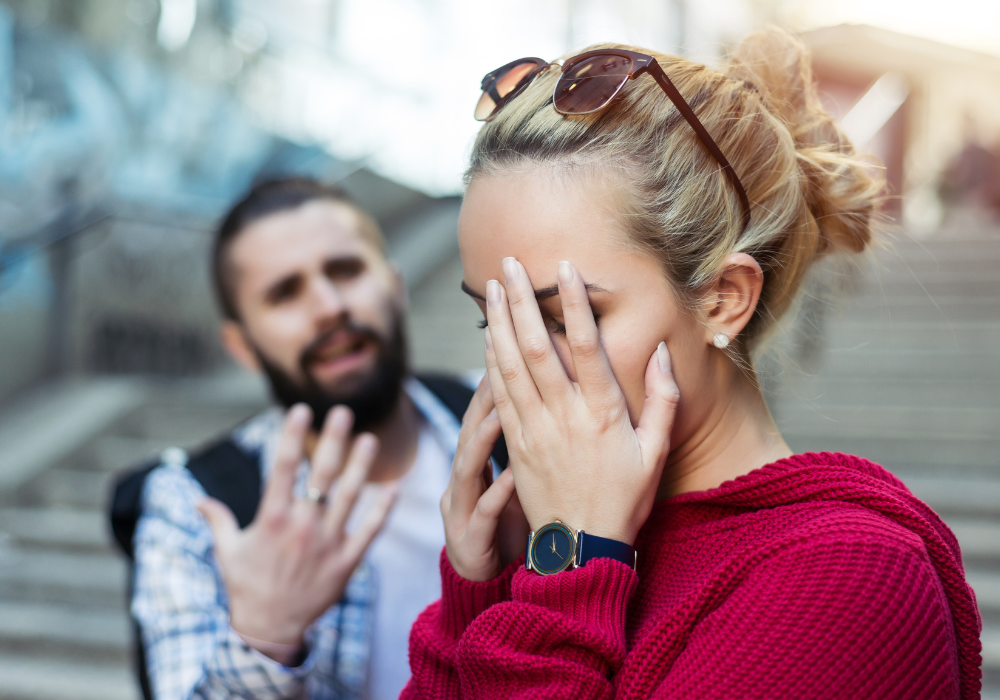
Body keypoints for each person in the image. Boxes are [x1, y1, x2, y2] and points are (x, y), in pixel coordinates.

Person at [405, 28, 982, 699]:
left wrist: (571, 572)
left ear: (723, 300)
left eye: (563, 318)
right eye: (493, 319)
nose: (516, 363)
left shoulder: (851, 573)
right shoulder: (550, 532)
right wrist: (484, 591)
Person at [125, 178, 479, 700]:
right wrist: (264, 638)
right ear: (242, 346)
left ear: (396, 285)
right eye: (284, 292)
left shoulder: (506, 417)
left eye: (346, 270)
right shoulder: (192, 503)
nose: (329, 306)